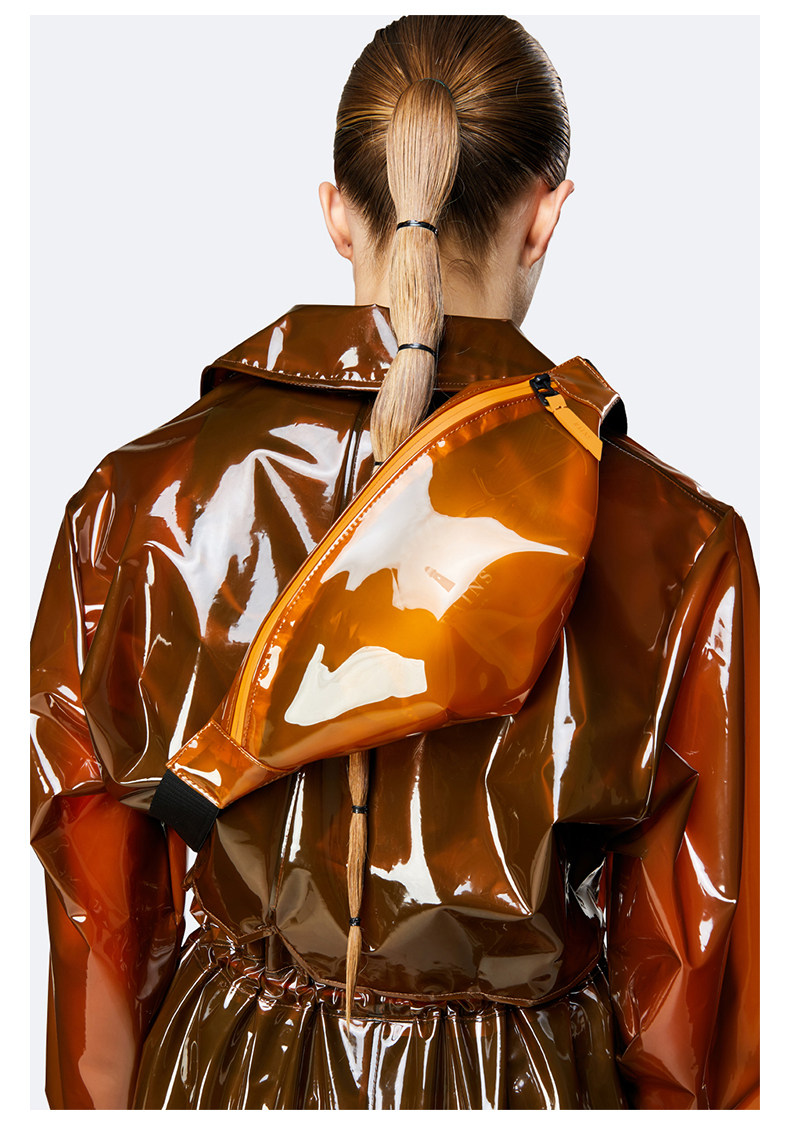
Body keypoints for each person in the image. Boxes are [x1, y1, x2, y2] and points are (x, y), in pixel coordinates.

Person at [30, 13, 759, 1111]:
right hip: (522, 1088)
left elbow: (98, 906)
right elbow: (685, 976)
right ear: (545, 214)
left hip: (221, 1073)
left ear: (337, 212)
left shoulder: (140, 497)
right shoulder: (676, 540)